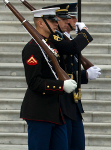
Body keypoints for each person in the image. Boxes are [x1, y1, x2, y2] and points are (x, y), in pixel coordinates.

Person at [44, 4, 100, 150]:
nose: (72, 21)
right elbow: (60, 73)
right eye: (67, 19)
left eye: (72, 18)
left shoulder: (66, 39)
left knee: (77, 145)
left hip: (73, 101)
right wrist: (84, 75)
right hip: (62, 102)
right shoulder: (54, 38)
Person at [20, 8, 79, 150]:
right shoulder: (32, 48)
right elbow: (34, 82)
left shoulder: (50, 45)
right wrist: (61, 86)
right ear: (40, 23)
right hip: (40, 112)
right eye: (52, 21)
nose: (56, 24)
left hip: (57, 112)